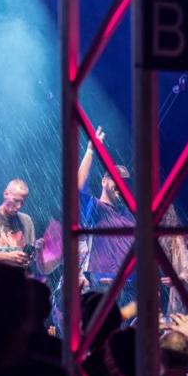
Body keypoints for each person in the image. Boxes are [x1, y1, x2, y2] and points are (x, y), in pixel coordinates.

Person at [77, 126, 135, 300]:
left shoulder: (130, 215)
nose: (121, 184)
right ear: (104, 181)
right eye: (116, 180)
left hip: (129, 286)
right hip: (101, 282)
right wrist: (91, 152)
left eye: (125, 182)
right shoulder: (96, 207)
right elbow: (78, 186)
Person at [0, 179, 42, 273]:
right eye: (16, 200)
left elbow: (29, 255)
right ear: (6, 194)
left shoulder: (27, 221)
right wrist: (7, 257)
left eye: (22, 202)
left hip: (21, 281)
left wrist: (36, 249)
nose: (19, 206)